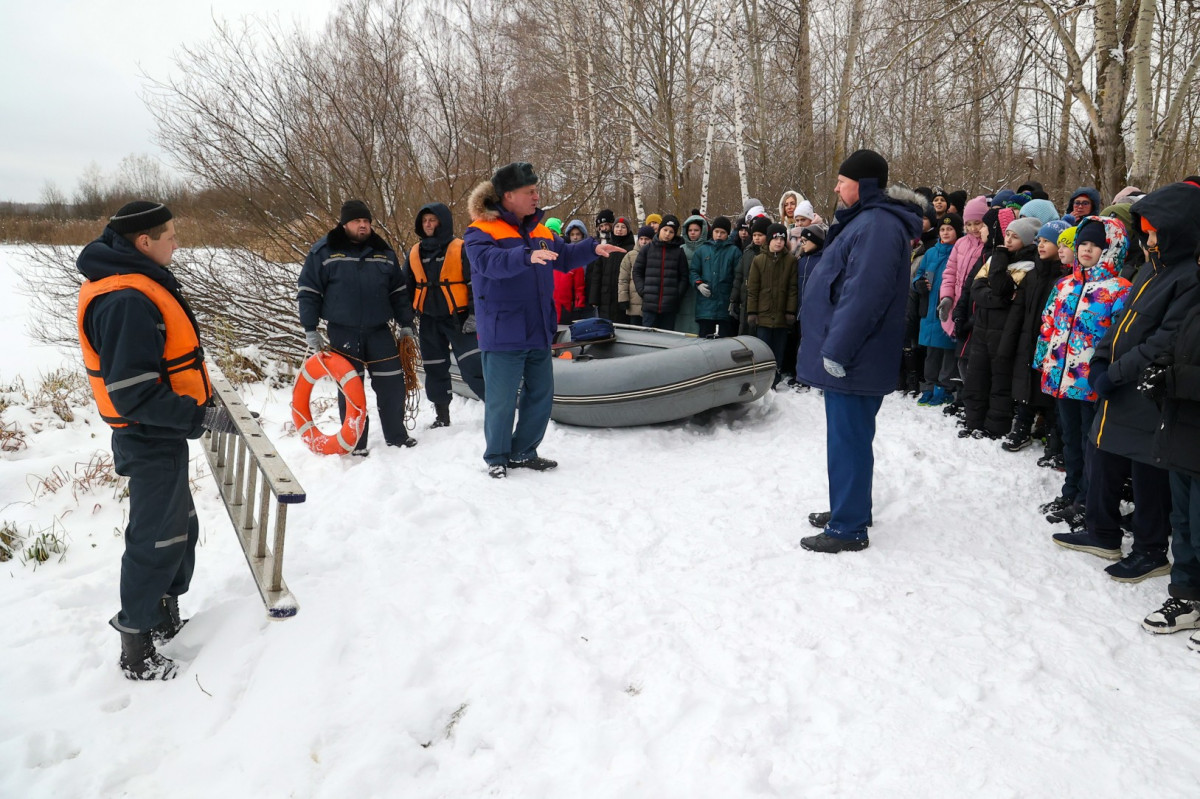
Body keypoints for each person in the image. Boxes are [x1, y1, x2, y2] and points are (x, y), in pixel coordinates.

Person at [77, 201, 237, 680]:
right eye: (170, 235)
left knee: (177, 526)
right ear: (143, 242)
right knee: (156, 536)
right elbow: (133, 394)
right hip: (148, 436)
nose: (177, 241)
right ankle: (137, 646)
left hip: (159, 434)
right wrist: (198, 415)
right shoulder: (126, 300)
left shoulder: (135, 283)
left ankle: (164, 617)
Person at [1054, 184, 1200, 581]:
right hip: (1119, 378)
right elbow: (1123, 321)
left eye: (1154, 233)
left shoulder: (1188, 276)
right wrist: (1102, 360)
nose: (1148, 241)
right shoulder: (1154, 267)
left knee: (1146, 470)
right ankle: (1103, 532)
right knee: (1103, 450)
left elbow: (1165, 339)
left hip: (1145, 387)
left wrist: (1115, 373)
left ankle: (1151, 550)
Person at [796, 149, 923, 553]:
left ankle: (848, 527)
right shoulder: (865, 222)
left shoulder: (877, 226)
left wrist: (838, 349)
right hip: (855, 356)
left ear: (863, 184)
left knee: (847, 439)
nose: (836, 187)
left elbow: (864, 295)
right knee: (849, 437)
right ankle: (850, 508)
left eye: (841, 180)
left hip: (855, 357)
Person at [463, 162, 624, 478]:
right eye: (530, 191)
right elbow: (488, 263)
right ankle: (497, 456)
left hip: (538, 327)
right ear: (509, 195)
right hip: (503, 330)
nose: (537, 197)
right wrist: (524, 256)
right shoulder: (480, 231)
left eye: (536, 190)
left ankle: (524, 452)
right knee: (502, 399)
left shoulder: (540, 231)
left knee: (540, 395)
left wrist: (593, 248)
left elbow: (564, 257)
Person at [298, 200, 417, 454]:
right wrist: (310, 328)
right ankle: (356, 441)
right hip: (343, 331)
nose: (363, 226)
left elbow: (398, 291)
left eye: (366, 221)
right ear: (345, 224)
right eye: (357, 221)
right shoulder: (324, 251)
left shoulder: (382, 252)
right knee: (351, 388)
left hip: (379, 330)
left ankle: (396, 435)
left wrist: (406, 323)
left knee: (392, 384)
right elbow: (308, 291)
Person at [1139, 242, 1200, 649]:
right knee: (1183, 520)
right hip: (1182, 426)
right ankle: (1187, 596)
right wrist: (1160, 371)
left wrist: (1175, 378)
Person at [407, 202, 486, 428]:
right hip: (429, 320)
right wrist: (406, 320)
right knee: (434, 368)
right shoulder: (414, 253)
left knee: (474, 365)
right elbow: (407, 286)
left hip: (459, 319)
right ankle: (442, 416)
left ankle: (496, 409)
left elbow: (475, 284)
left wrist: (474, 315)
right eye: (424, 221)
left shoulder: (460, 248)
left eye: (432, 219)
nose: (428, 224)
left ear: (442, 221)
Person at [912, 213, 961, 406]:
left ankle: (944, 387)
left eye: (950, 229)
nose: (945, 232)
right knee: (931, 352)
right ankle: (929, 386)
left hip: (947, 309)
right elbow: (921, 275)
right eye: (942, 229)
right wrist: (919, 284)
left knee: (947, 351)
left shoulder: (958, 252)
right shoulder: (931, 253)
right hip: (929, 307)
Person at [747, 223, 799, 386]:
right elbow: (753, 289)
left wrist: (790, 311)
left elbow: (792, 288)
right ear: (768, 240)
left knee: (779, 349)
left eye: (782, 239)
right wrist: (752, 312)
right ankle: (763, 378)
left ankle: (775, 377)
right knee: (763, 349)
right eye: (775, 238)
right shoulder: (758, 260)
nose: (778, 242)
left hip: (782, 315)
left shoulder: (790, 261)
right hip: (763, 315)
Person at [633, 215, 689, 330]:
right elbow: (637, 271)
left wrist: (677, 295)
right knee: (649, 340)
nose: (667, 234)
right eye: (665, 230)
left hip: (669, 307)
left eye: (671, 232)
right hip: (649, 306)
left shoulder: (679, 252)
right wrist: (642, 290)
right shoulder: (647, 249)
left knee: (666, 340)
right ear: (660, 230)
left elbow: (684, 276)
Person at [689, 216, 741, 337]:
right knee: (704, 343)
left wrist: (734, 298)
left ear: (727, 234)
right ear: (712, 232)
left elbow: (738, 276)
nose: (719, 235)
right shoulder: (702, 251)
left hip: (725, 307)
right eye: (716, 232)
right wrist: (698, 284)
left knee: (724, 344)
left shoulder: (734, 251)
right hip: (705, 307)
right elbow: (693, 271)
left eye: (722, 232)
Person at [587, 216, 635, 321]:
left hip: (623, 297)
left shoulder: (632, 249)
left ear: (628, 230)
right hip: (605, 296)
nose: (620, 229)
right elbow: (597, 274)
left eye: (623, 227)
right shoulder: (606, 247)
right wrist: (594, 298)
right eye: (617, 226)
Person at [619, 225, 652, 324]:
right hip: (634, 304)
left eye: (647, 239)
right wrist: (623, 298)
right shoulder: (630, 256)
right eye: (641, 239)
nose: (643, 242)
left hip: (650, 303)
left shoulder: (655, 254)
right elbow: (623, 279)